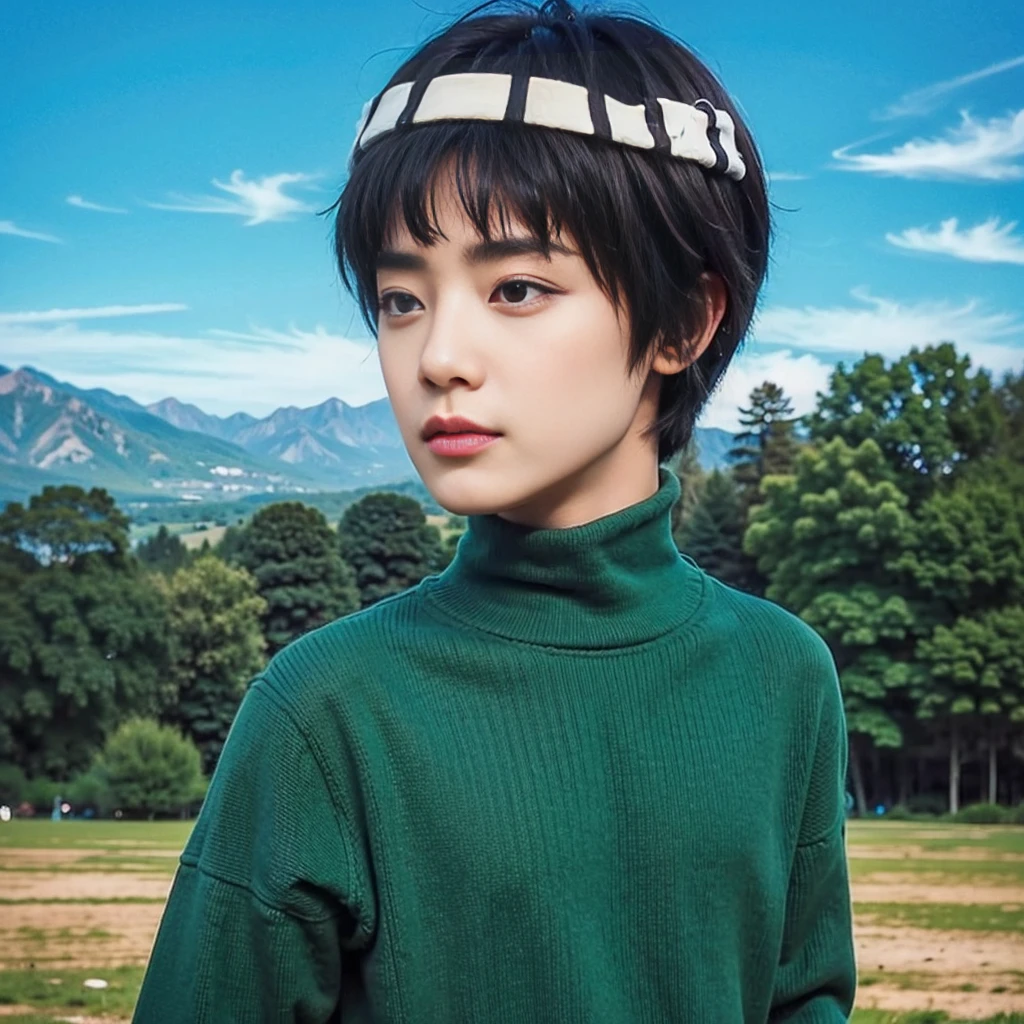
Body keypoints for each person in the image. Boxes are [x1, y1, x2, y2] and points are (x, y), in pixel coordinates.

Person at [133, 1, 857, 1020]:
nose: (437, 356)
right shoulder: (324, 710)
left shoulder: (785, 678)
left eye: (515, 286)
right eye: (400, 298)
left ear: (686, 321)